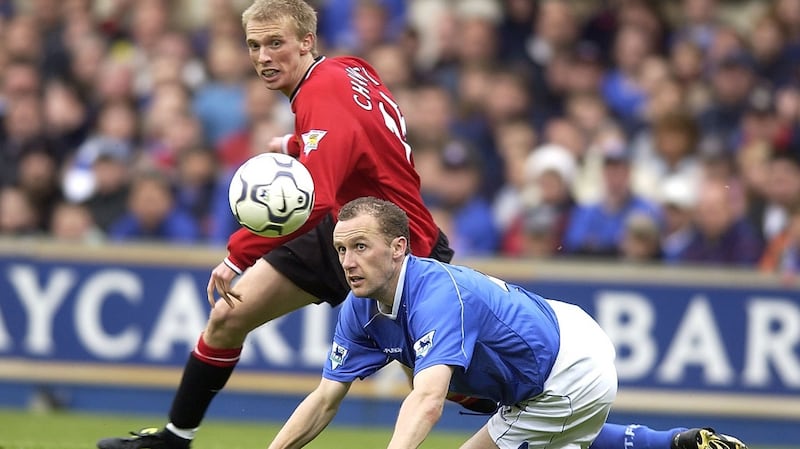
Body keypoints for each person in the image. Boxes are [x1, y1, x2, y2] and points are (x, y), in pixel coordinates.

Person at [96, 1, 490, 448]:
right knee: (229, 315)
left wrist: (237, 255)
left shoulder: (320, 94)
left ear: (306, 42)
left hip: (398, 243)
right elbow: (362, 135)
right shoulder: (347, 69)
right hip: (344, 223)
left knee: (436, 382)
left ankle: (539, 405)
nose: (264, 56)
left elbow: (315, 198)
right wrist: (298, 142)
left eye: (275, 43)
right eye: (254, 45)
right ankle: (173, 438)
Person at [265, 196, 748, 449]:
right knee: (562, 440)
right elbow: (325, 399)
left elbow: (428, 400)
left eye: (361, 246)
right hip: (559, 341)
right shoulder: (359, 307)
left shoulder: (435, 293)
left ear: (398, 248)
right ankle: (680, 445)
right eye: (342, 250)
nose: (348, 261)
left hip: (565, 369)